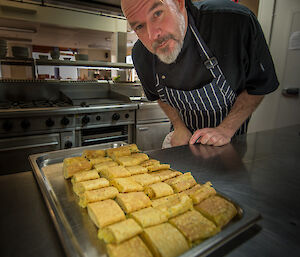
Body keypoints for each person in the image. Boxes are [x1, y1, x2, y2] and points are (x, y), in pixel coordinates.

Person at [121, 0, 279, 147]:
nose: (153, 35)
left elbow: (258, 86)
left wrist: (225, 129)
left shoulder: (235, 23)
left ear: (179, 3)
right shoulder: (141, 54)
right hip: (183, 143)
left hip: (230, 143)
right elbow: (158, 97)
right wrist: (179, 126)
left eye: (157, 14)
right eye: (139, 27)